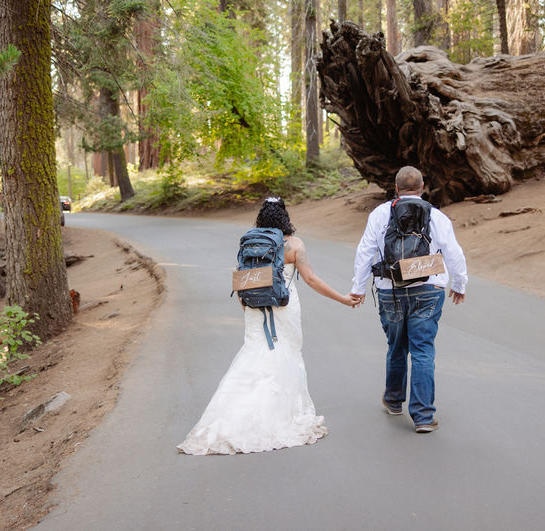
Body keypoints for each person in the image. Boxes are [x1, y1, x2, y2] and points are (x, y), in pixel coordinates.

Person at [178, 197, 358, 455]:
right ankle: (280, 414)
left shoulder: (249, 241)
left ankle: (230, 417)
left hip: (254, 308)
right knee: (288, 354)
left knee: (253, 353)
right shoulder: (294, 244)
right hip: (285, 307)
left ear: (261, 217)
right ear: (285, 217)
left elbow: (241, 278)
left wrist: (247, 307)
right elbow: (311, 280)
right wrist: (342, 299)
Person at [349, 166, 467, 433]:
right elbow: (454, 253)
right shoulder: (436, 216)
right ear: (423, 186)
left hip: (389, 290)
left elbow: (365, 251)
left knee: (396, 346)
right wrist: (459, 284)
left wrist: (358, 288)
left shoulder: (380, 214)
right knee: (423, 350)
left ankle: (393, 400)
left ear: (396, 187)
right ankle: (424, 416)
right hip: (428, 290)